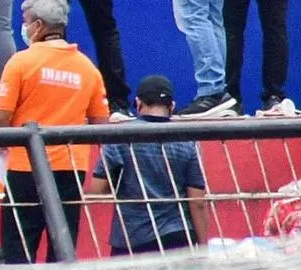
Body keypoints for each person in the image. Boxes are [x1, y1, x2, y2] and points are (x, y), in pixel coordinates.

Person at [0, 0, 109, 264]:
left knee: (18, 247)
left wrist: (1, 146)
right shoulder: (87, 68)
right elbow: (101, 125)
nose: (24, 27)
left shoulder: (20, 62)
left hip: (25, 167)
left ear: (38, 26)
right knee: (62, 247)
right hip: (71, 169)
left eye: (26, 22)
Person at [89, 75, 210, 255]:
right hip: (178, 237)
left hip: (131, 239)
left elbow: (97, 189)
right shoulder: (188, 140)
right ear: (172, 106)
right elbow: (197, 201)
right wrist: (203, 248)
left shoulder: (119, 136)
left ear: (138, 103)